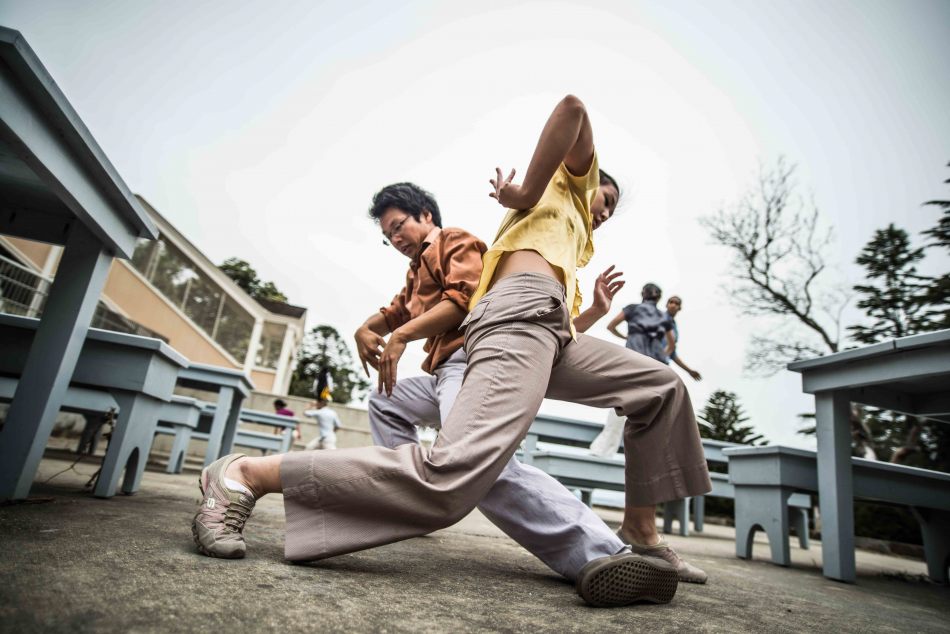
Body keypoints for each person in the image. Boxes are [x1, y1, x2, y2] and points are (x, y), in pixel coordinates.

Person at [191, 95, 711, 607]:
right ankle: (247, 475)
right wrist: (526, 189)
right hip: (511, 320)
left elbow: (529, 326)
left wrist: (593, 311)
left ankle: (640, 531)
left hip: (547, 332)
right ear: (586, 182)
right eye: (605, 201)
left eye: (613, 210)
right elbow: (572, 110)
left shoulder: (557, 243)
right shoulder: (561, 189)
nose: (605, 212)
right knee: (454, 469)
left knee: (660, 388)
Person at [352, 180, 632, 590]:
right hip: (443, 372)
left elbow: (462, 299)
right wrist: (367, 327)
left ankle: (601, 551)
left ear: (425, 216)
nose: (394, 238)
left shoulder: (455, 241)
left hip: (470, 363)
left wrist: (400, 336)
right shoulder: (416, 271)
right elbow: (397, 310)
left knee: (477, 461)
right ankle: (413, 500)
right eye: (387, 235)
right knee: (385, 400)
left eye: (398, 226)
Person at [605, 283, 674, 363]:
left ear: (642, 294)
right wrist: (662, 357)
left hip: (634, 356)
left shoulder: (632, 308)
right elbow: (671, 345)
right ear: (659, 298)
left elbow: (611, 326)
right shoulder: (664, 317)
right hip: (655, 362)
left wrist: (625, 337)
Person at [663, 295, 702, 381]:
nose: (673, 305)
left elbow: (672, 354)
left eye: (676, 303)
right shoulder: (657, 317)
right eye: (671, 302)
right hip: (649, 360)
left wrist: (689, 371)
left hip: (662, 364)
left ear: (679, 308)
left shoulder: (675, 330)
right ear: (667, 305)